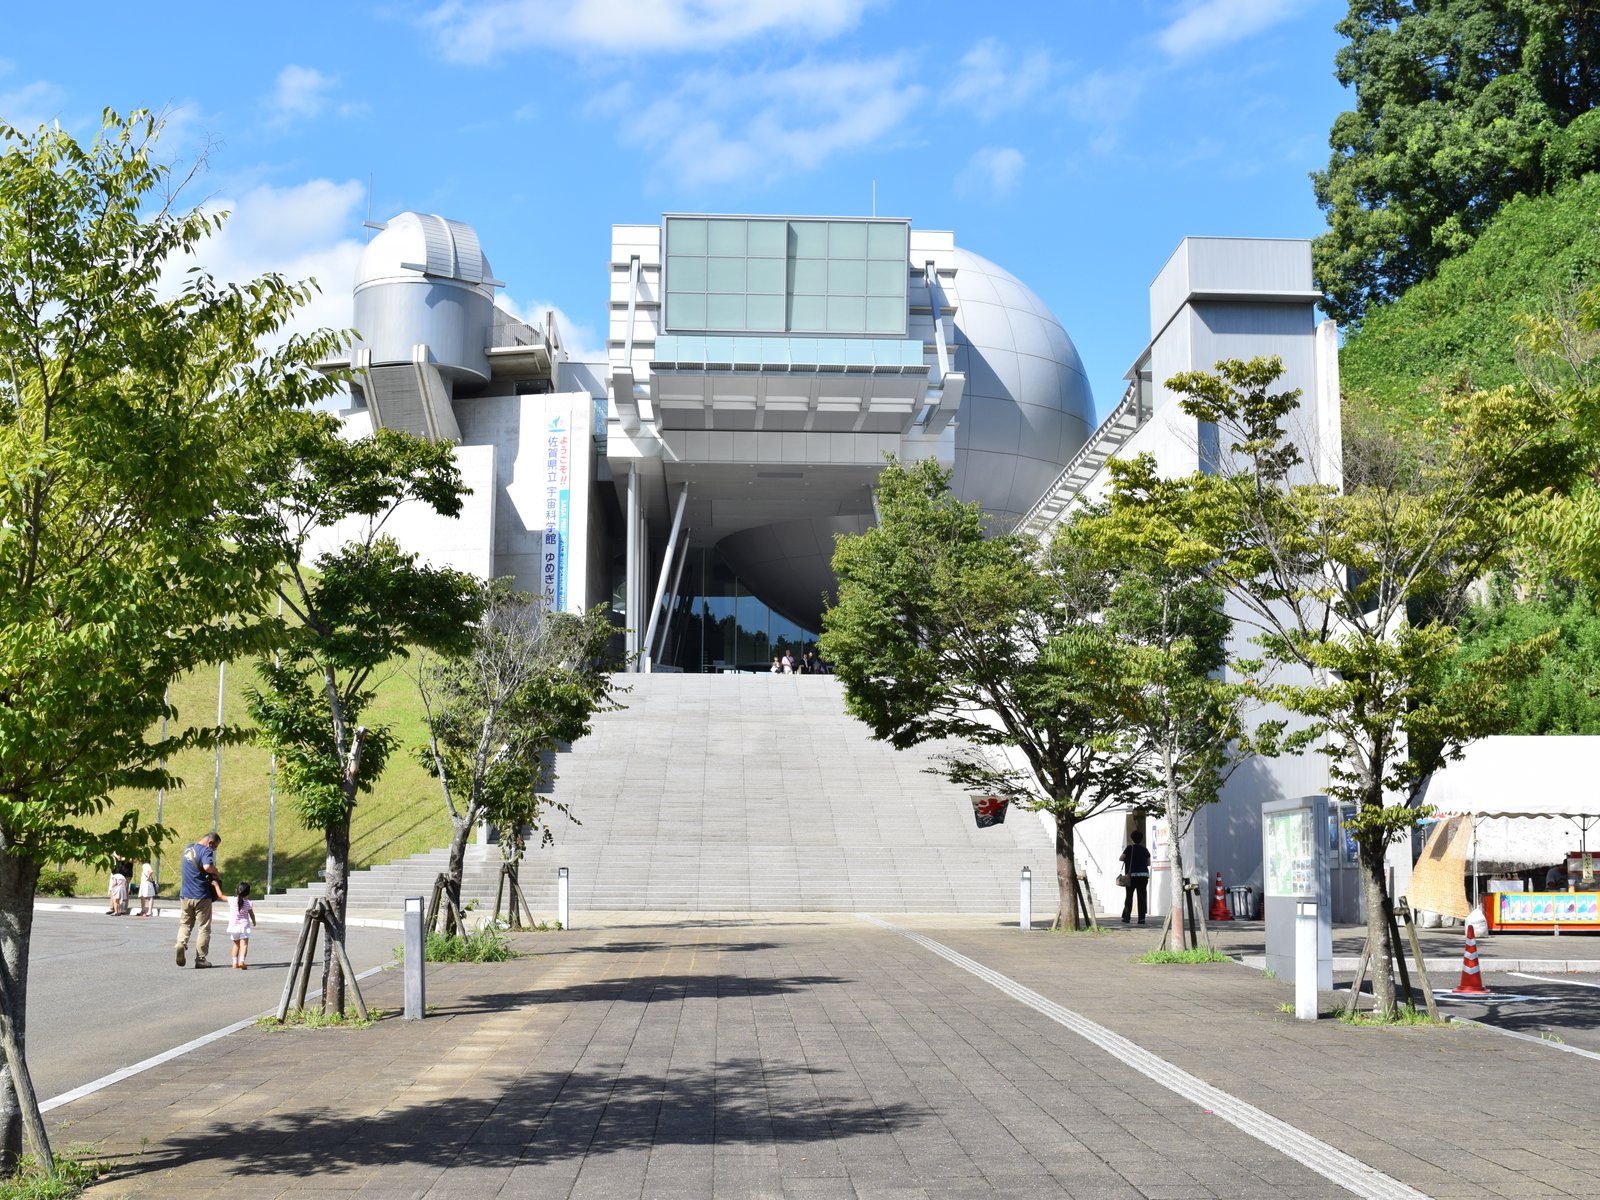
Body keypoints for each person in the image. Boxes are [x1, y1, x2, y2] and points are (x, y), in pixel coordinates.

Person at [174, 831, 223, 968]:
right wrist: (216, 871)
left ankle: (181, 943)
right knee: (204, 928)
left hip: (185, 895)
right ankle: (201, 959)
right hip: (201, 895)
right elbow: (207, 867)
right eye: (215, 847)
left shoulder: (188, 848)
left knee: (185, 924)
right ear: (210, 842)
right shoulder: (206, 851)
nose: (213, 850)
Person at [1120, 829, 1151, 925]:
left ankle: (1126, 918)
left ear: (1132, 838)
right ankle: (1141, 919)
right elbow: (1148, 863)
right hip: (1144, 876)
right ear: (1141, 839)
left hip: (1132, 876)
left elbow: (1121, 858)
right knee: (1142, 897)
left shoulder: (1129, 848)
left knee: (1129, 896)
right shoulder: (1145, 850)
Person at [227, 882, 257, 969]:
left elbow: (221, 896)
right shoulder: (248, 903)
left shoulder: (232, 900)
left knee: (236, 945)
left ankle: (234, 963)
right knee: (243, 945)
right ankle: (242, 961)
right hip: (244, 927)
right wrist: (254, 921)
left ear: (236, 890)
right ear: (248, 893)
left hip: (234, 927)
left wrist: (216, 886)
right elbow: (251, 914)